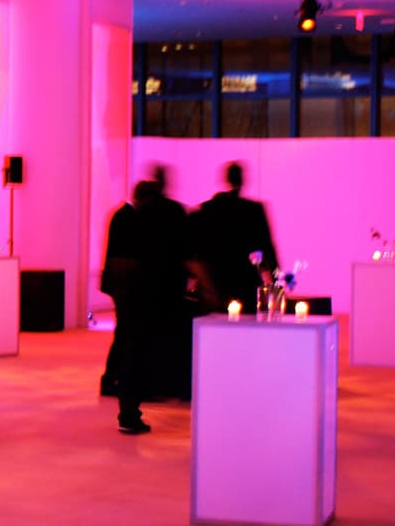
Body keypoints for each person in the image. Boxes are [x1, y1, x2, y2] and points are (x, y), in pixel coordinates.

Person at [105, 168, 194, 435]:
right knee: (147, 346)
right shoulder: (173, 214)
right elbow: (184, 255)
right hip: (162, 294)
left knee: (133, 346)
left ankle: (128, 407)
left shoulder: (131, 217)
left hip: (136, 294)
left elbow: (121, 258)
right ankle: (144, 397)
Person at [193, 162, 278, 313]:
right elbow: (267, 246)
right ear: (242, 179)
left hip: (215, 280)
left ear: (226, 179)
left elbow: (197, 249)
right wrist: (276, 281)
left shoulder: (208, 209)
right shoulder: (254, 210)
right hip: (246, 279)